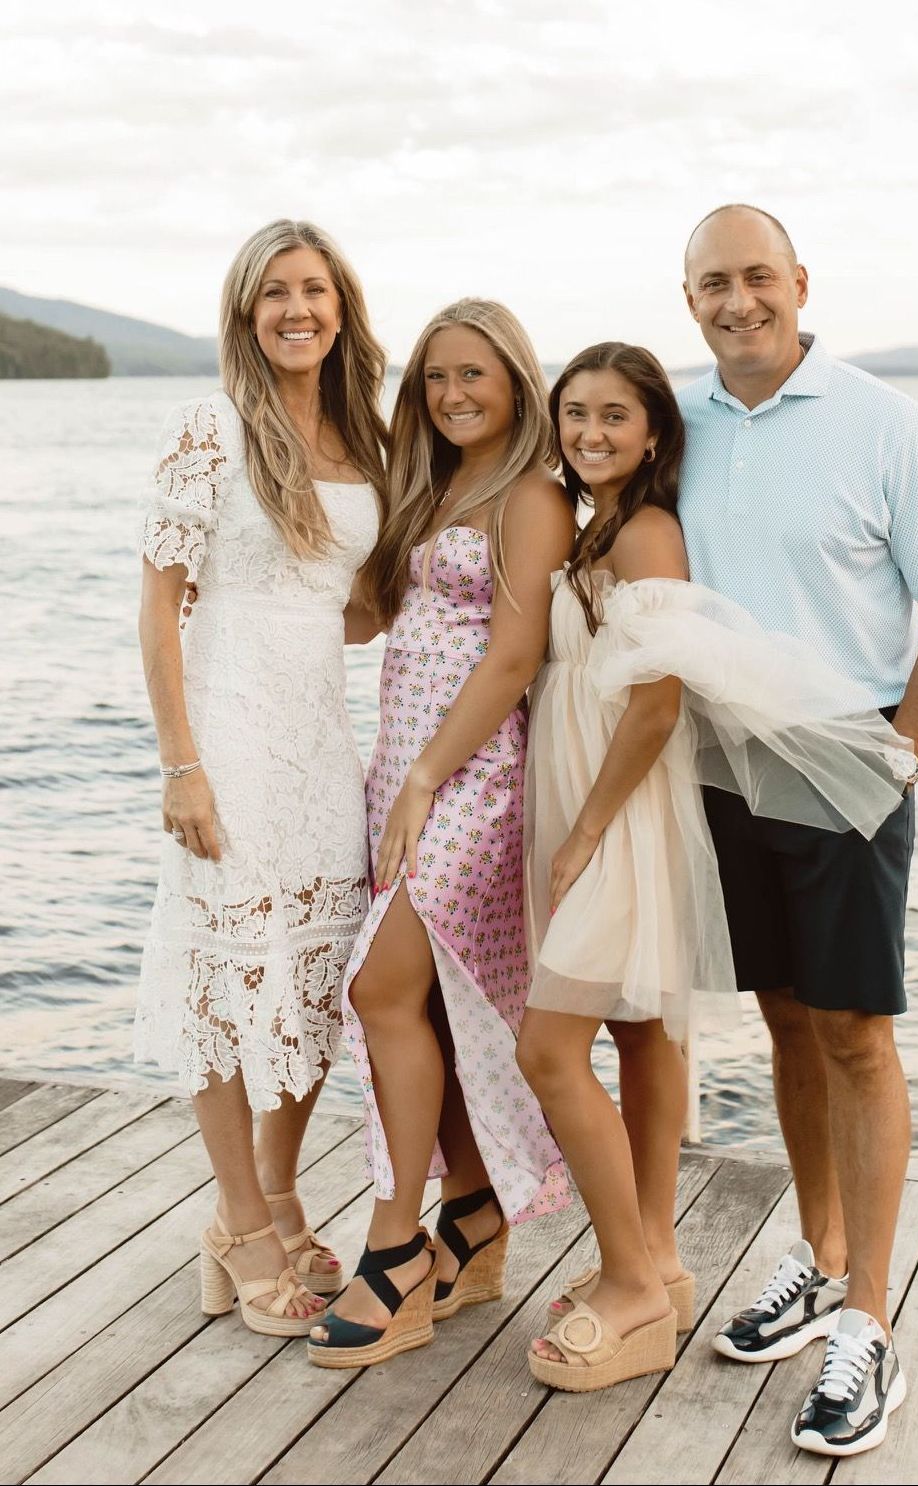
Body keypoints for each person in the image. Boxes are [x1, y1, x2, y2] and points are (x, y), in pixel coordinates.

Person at [517, 342, 914, 1394]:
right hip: (600, 801)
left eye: (614, 416)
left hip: (620, 814)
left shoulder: (646, 531)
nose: (591, 433)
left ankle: (641, 1278)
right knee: (649, 1033)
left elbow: (655, 700)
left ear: (656, 434)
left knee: (550, 1048)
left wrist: (587, 829)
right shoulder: (589, 520)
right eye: (573, 414)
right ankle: (661, 1261)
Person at [679, 204, 918, 1457]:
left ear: (800, 283)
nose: (738, 299)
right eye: (713, 281)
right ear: (687, 295)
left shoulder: (885, 425)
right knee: (786, 1018)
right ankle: (818, 1259)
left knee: (858, 1032)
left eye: (758, 276)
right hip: (716, 763)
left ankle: (869, 1320)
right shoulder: (677, 424)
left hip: (846, 760)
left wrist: (892, 764)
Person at [307, 299, 573, 1371]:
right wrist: (242, 606)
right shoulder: (431, 486)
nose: (454, 394)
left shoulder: (533, 494)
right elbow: (375, 616)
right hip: (403, 769)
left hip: (473, 775)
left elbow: (512, 656)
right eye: (434, 379)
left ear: (515, 379)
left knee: (378, 989)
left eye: (474, 375)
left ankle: (394, 1246)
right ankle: (473, 1213)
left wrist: (423, 779)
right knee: (429, 1005)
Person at [135, 219, 388, 1335]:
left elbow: (364, 606)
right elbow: (158, 612)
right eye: (276, 292)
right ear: (247, 311)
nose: (299, 309)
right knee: (230, 982)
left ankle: (279, 1200)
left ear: (343, 309)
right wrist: (180, 763)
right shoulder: (208, 431)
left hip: (322, 744)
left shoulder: (365, 439)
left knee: (319, 981)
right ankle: (239, 1223)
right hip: (228, 740)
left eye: (316, 291)